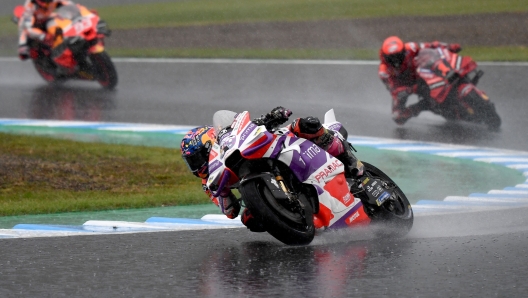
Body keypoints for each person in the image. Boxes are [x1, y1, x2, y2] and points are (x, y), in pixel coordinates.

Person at [180, 107, 364, 232]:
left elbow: (248, 128)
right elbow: (230, 211)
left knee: (306, 124)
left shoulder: (228, 139)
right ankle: (296, 219)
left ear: (209, 144)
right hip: (252, 178)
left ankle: (348, 157)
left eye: (196, 158)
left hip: (277, 144)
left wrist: (272, 116)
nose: (196, 166)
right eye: (191, 162)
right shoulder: (210, 182)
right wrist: (228, 196)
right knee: (249, 219)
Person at [378, 36, 462, 125]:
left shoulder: (411, 47)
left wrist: (448, 47)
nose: (396, 61)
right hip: (406, 87)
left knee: (427, 56)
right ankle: (420, 107)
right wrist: (409, 89)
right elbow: (393, 90)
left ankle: (447, 72)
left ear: (403, 51)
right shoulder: (383, 72)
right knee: (398, 117)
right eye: (391, 58)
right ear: (385, 57)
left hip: (421, 73)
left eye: (398, 56)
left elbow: (429, 46)